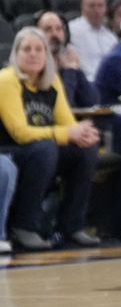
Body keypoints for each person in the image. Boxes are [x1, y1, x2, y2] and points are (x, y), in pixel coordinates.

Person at [0, 27, 101, 250]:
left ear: (47, 55)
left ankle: (71, 226)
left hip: (38, 151)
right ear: (15, 54)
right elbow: (20, 133)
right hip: (8, 150)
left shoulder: (51, 81)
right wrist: (66, 134)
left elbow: (67, 123)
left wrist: (82, 134)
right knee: (46, 148)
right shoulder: (7, 80)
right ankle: (24, 225)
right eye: (26, 49)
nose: (33, 54)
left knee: (85, 150)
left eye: (39, 49)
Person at [35, 11, 99, 108]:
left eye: (59, 29)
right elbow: (64, 106)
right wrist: (69, 71)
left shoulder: (68, 59)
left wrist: (77, 70)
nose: (54, 34)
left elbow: (92, 102)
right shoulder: (35, 66)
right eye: (48, 29)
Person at [69, 0, 117, 81]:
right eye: (92, 6)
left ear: (105, 9)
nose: (96, 10)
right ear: (82, 8)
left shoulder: (111, 36)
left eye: (100, 6)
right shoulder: (72, 31)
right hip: (85, 83)